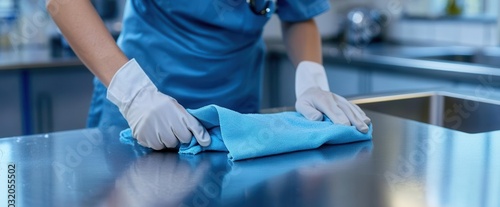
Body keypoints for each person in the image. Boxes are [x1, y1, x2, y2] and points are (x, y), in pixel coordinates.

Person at [47, 0, 371, 150]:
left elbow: (298, 12)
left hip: (233, 118)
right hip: (143, 109)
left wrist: (311, 80)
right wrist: (135, 95)